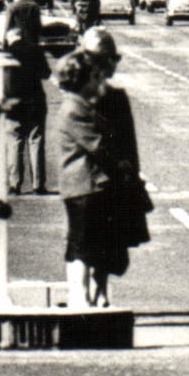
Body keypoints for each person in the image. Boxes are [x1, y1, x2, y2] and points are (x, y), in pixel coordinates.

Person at [54, 28, 149, 309]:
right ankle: (84, 298)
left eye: (108, 59)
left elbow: (128, 142)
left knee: (110, 242)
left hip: (111, 180)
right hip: (91, 182)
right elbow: (97, 144)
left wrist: (130, 176)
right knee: (85, 242)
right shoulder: (78, 103)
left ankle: (100, 292)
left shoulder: (114, 97)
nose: (105, 66)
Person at [1, 0, 52, 195]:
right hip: (35, 99)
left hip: (14, 102)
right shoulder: (36, 50)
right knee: (36, 139)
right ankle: (38, 183)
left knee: (14, 140)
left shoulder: (6, 55)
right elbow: (46, 74)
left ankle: (15, 183)